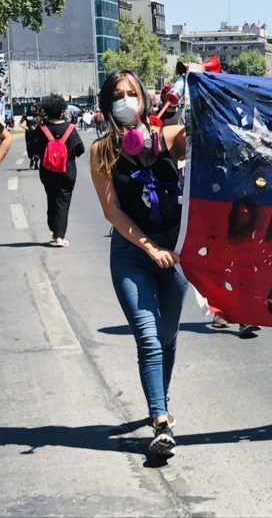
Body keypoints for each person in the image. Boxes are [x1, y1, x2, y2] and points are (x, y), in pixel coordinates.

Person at [90, 70, 188, 457]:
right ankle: (160, 420)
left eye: (132, 93)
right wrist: (149, 248)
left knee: (168, 338)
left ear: (146, 99)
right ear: (107, 101)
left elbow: (197, 141)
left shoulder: (165, 137)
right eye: (118, 94)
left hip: (175, 251)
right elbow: (111, 210)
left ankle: (159, 401)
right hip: (133, 254)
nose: (126, 100)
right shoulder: (102, 151)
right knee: (148, 337)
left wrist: (195, 95)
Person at [30, 94, 84, 247]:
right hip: (67, 171)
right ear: (62, 110)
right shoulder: (71, 129)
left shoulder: (41, 129)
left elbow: (33, 149)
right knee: (63, 201)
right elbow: (80, 149)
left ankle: (53, 227)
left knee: (51, 197)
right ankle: (59, 235)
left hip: (47, 171)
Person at [20, 103, 41, 169]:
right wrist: (26, 128)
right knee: (29, 147)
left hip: (36, 133)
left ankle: (36, 162)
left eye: (33, 107)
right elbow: (20, 123)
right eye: (31, 107)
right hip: (29, 133)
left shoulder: (38, 115)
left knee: (37, 148)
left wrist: (36, 127)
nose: (32, 108)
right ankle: (31, 159)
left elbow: (40, 123)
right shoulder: (25, 115)